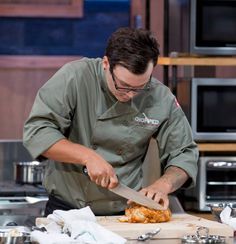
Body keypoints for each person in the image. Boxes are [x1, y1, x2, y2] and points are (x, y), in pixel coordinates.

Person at [23, 27, 198, 216]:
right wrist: (88, 156)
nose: (131, 94)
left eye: (140, 87)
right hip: (68, 211)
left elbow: (185, 153)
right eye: (123, 86)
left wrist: (164, 185)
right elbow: (37, 132)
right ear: (106, 63)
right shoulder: (75, 77)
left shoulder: (160, 97)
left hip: (125, 213)